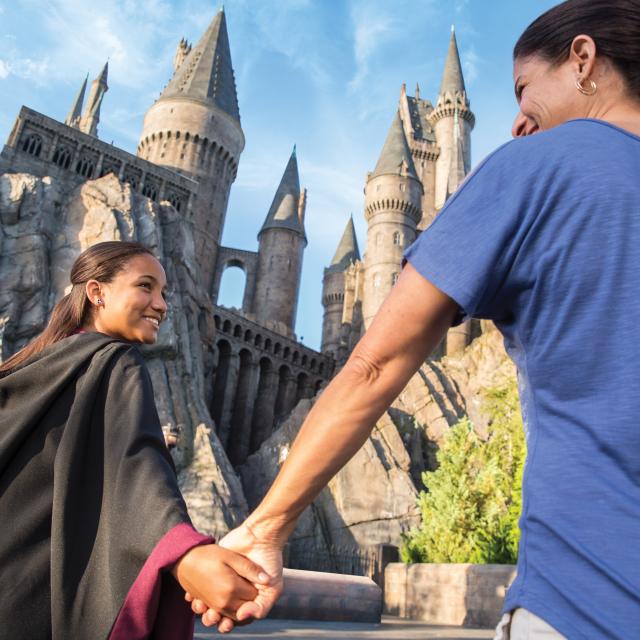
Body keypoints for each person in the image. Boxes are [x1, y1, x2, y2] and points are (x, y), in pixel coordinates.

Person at [192, 1, 640, 637]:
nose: (516, 120)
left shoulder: (532, 171)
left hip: (588, 599)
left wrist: (265, 529)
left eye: (523, 89)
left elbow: (376, 364)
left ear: (584, 60)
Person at [0, 241, 270, 639]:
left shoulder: (34, 367)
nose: (161, 305)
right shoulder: (115, 362)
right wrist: (184, 552)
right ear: (97, 293)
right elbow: (137, 467)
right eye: (145, 287)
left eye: (164, 293)